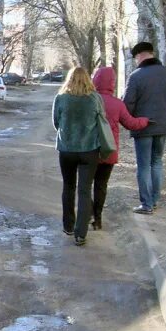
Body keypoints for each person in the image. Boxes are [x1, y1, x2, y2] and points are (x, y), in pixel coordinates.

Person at [123, 41, 166, 215]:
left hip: (143, 127)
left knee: (143, 166)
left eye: (135, 58)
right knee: (157, 163)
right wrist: (165, 116)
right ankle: (154, 200)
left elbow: (128, 103)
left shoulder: (136, 76)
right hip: (162, 126)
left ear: (139, 56)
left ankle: (146, 204)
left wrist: (134, 120)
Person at [52, 67, 106, 246]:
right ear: (87, 80)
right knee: (84, 190)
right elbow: (101, 120)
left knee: (68, 187)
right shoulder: (95, 98)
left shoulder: (61, 98)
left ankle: (68, 225)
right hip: (89, 150)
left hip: (66, 149)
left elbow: (56, 122)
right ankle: (81, 233)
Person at [91, 66, 149, 230]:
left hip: (90, 150)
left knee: (85, 184)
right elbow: (131, 123)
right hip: (109, 150)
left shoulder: (90, 100)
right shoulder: (117, 104)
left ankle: (87, 211)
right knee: (101, 185)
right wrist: (145, 120)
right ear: (112, 83)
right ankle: (98, 219)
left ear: (95, 80)